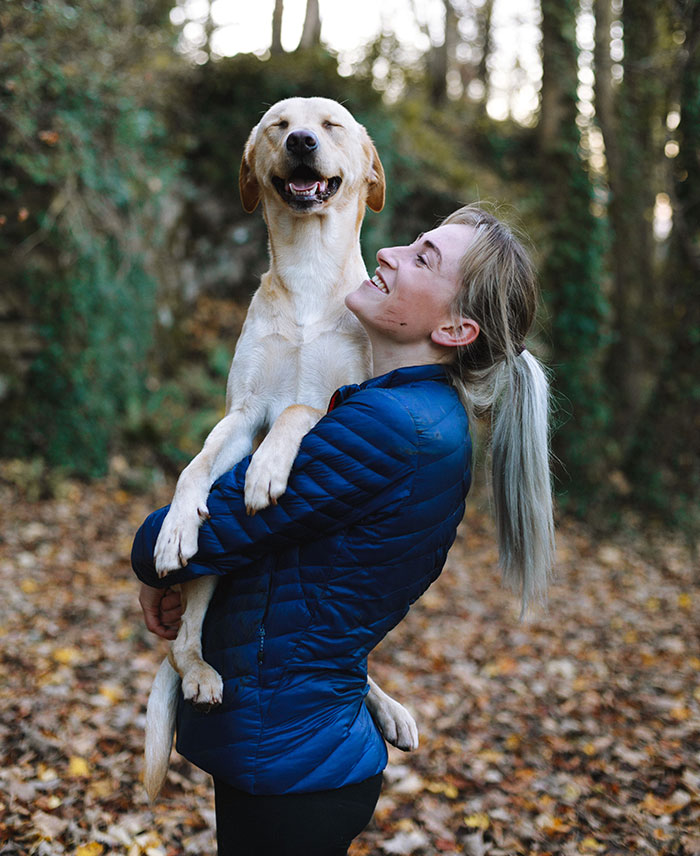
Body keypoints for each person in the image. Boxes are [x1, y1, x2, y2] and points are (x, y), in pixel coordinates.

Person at [132, 204, 554, 855]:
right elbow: (286, 560)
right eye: (412, 243)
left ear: (455, 326)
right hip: (301, 751)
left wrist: (154, 559)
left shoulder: (387, 428)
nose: (389, 254)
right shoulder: (407, 413)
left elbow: (196, 535)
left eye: (423, 259)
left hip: (291, 765)